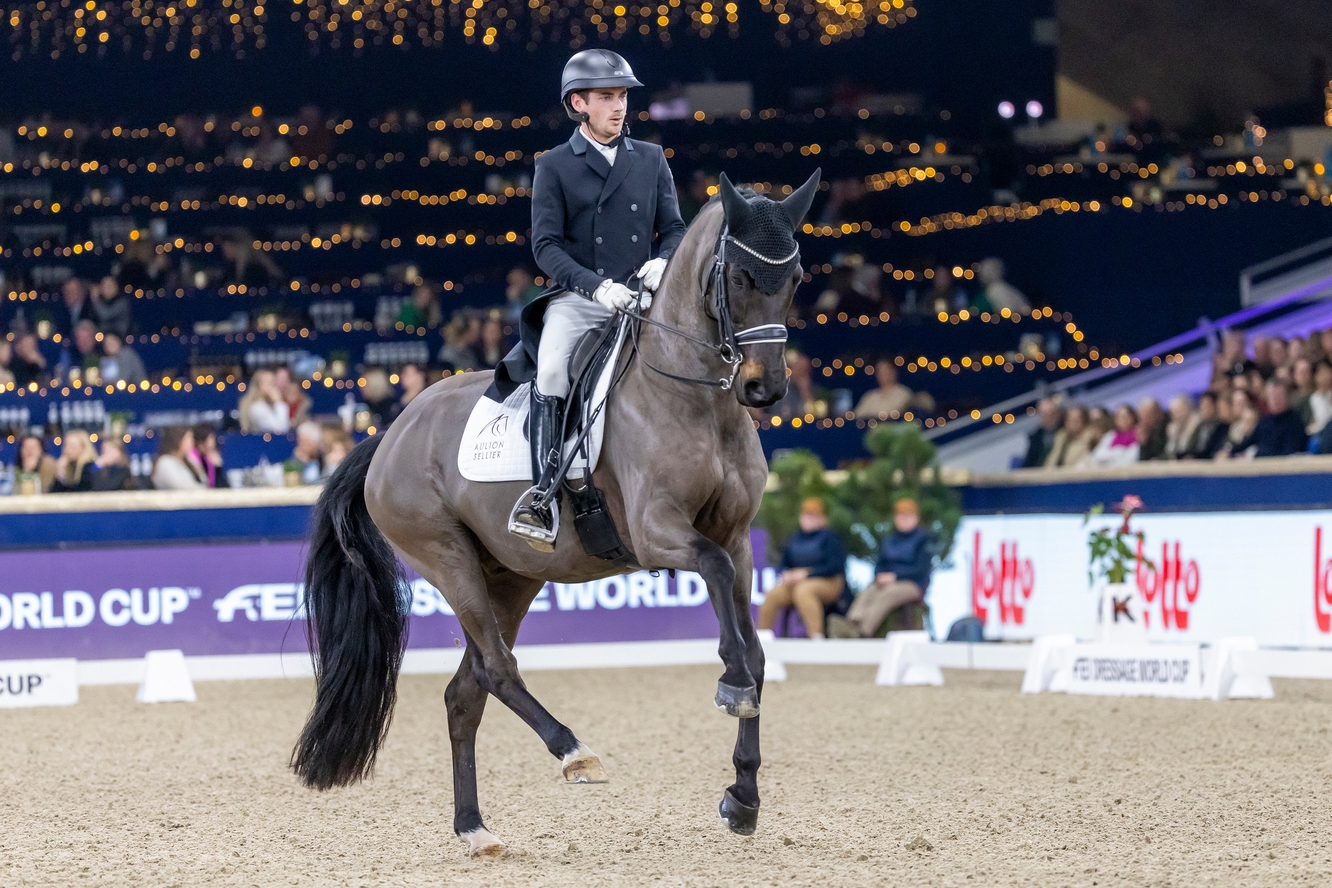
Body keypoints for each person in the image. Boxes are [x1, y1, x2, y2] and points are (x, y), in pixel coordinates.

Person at [493, 49, 688, 550]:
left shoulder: (650, 158)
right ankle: (543, 496)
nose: (619, 107)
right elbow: (545, 247)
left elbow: (675, 229)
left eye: (622, 96)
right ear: (578, 103)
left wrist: (664, 261)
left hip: (644, 296)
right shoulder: (554, 165)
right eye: (606, 97)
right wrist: (595, 285)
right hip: (582, 297)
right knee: (554, 370)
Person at [827, 498, 933, 638]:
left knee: (888, 594)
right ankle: (851, 623)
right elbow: (880, 563)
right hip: (887, 580)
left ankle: (864, 631)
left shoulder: (924, 540)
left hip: (912, 583)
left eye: (908, 516)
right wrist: (880, 576)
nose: (904, 520)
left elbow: (920, 569)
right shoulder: (890, 539)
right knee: (868, 591)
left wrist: (895, 577)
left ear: (916, 518)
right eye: (901, 516)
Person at [756, 498, 847, 639]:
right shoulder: (795, 539)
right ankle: (762, 636)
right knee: (772, 594)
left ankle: (816, 636)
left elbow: (835, 566)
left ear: (822, 519)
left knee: (804, 591)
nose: (808, 520)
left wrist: (807, 574)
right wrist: (786, 574)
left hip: (827, 582)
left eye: (813, 516)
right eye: (806, 515)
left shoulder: (830, 538)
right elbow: (783, 563)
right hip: (795, 583)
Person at [1232, 379, 1308, 458]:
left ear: (1287, 397)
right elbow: (1247, 442)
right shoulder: (1264, 421)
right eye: (1272, 396)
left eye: (1278, 396)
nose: (1275, 400)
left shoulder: (1295, 423)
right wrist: (1229, 452)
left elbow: (1290, 453)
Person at [239, 369, 290, 434]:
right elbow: (282, 429)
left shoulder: (269, 404)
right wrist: (279, 401)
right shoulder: (257, 407)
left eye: (274, 383)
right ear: (259, 386)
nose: (274, 387)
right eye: (270, 383)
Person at [1184, 391, 1229, 459]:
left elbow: (1210, 451)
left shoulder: (1222, 426)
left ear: (1215, 406)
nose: (1204, 408)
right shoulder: (1201, 425)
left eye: (1207, 405)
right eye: (1202, 405)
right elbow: (1191, 447)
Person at [1022, 398, 1064, 468]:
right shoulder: (1035, 438)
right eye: (1044, 415)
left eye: (1050, 415)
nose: (1048, 419)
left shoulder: (1065, 433)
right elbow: (1028, 463)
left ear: (1057, 414)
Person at [1161, 394, 1201, 460]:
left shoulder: (1196, 424)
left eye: (1177, 412)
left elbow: (1188, 449)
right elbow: (1169, 452)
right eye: (1172, 413)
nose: (1174, 416)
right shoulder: (1172, 427)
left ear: (1187, 409)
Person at [191, 424, 228, 488]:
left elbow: (212, 483)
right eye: (208, 446)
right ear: (200, 443)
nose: (211, 447)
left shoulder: (206, 456)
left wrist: (217, 466)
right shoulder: (192, 456)